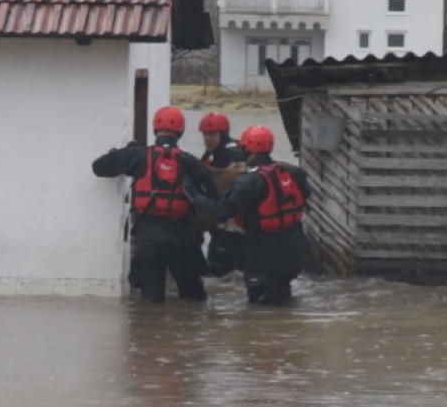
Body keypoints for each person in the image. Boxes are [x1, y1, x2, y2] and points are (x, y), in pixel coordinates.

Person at [92, 106, 218, 302]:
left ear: (155, 129)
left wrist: (125, 151)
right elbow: (213, 195)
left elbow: (99, 167)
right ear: (181, 131)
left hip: (148, 238)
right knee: (193, 299)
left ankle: (151, 330)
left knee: (151, 300)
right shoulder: (190, 161)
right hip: (182, 238)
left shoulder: (138, 155)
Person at [188, 125, 310, 305]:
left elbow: (221, 212)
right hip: (294, 252)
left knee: (261, 312)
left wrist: (195, 195)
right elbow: (305, 195)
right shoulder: (293, 172)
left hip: (264, 254)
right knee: (284, 302)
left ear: (249, 149)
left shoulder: (250, 181)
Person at [197, 112, 247, 277]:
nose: (207, 139)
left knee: (220, 272)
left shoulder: (235, 154)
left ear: (223, 134)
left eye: (212, 134)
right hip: (223, 227)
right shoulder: (211, 155)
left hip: (233, 229)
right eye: (205, 135)